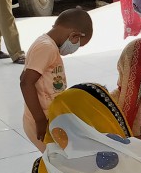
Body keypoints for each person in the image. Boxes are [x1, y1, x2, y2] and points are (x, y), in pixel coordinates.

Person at [20, 8, 93, 151]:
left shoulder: (47, 45)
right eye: (78, 45)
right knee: (58, 162)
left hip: (49, 118)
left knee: (61, 160)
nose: (75, 49)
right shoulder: (46, 47)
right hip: (41, 121)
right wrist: (40, 120)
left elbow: (24, 76)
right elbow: (26, 82)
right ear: (74, 36)